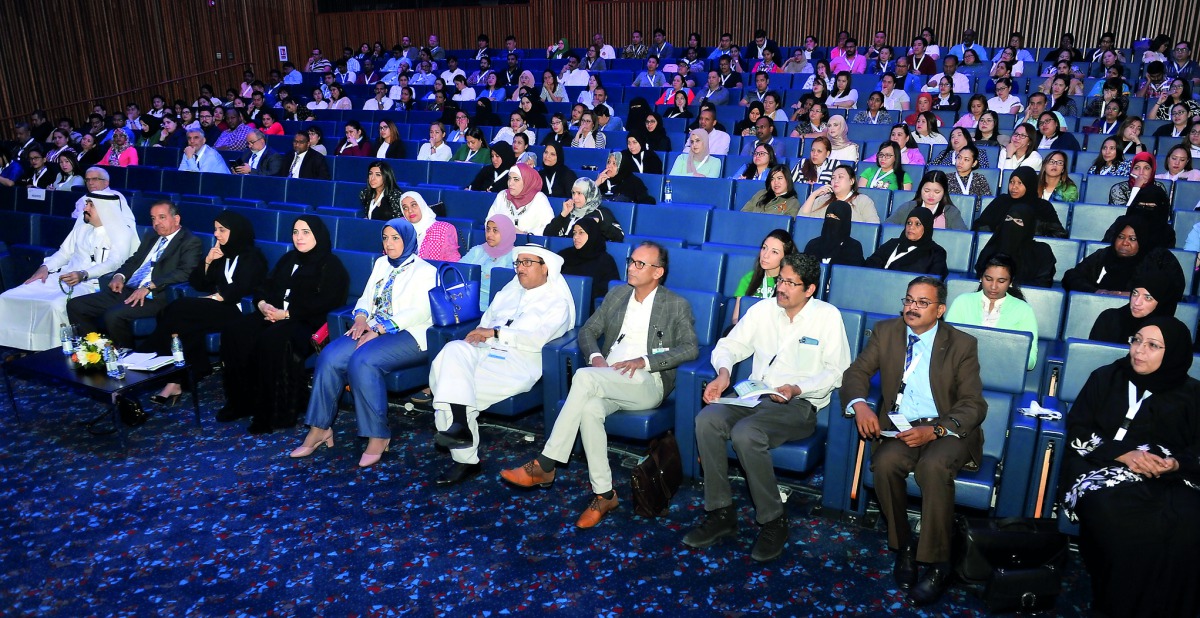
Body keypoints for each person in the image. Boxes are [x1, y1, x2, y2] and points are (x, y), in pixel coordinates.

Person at [684, 253, 851, 562]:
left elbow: (837, 371)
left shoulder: (827, 317)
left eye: (790, 283)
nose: (781, 288)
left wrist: (797, 388)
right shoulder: (763, 310)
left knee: (747, 434)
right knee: (706, 420)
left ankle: (774, 520)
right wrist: (723, 374)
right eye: (780, 280)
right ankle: (720, 512)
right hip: (754, 395)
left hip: (798, 404)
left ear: (810, 289)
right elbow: (729, 346)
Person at [841, 276, 985, 606]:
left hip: (945, 428)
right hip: (901, 426)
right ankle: (904, 545)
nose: (912, 307)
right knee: (885, 463)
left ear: (940, 310)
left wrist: (935, 431)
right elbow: (856, 373)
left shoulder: (961, 344)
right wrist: (860, 405)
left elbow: (974, 403)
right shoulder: (886, 332)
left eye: (922, 303)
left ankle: (938, 562)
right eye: (908, 300)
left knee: (933, 467)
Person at [1059, 316, 1200, 617]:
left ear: (1172, 352)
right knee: (1123, 524)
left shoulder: (1192, 394)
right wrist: (1123, 454)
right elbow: (1079, 430)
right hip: (1103, 468)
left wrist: (1174, 464)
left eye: (1152, 345)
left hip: (1169, 478)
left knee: (1187, 525)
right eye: (1136, 340)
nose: (1139, 350)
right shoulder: (1106, 377)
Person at [291, 217, 436, 467]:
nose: (389, 244)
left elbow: (419, 312)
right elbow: (366, 298)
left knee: (363, 360)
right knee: (330, 356)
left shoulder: (425, 271)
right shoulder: (381, 264)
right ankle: (319, 428)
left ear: (409, 240)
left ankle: (378, 434)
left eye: (395, 238)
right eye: (385, 238)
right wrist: (360, 318)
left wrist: (378, 329)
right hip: (374, 328)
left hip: (410, 334)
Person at [428, 244, 576, 486]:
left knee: (450, 389)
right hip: (484, 351)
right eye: (518, 263)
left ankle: (465, 457)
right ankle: (460, 426)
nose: (520, 268)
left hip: (516, 362)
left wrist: (496, 333)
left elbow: (537, 340)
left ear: (545, 268)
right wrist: (477, 335)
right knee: (452, 350)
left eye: (527, 263)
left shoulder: (557, 302)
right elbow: (485, 323)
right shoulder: (508, 292)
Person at [219, 216, 349, 433]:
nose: (299, 237)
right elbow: (265, 285)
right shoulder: (289, 259)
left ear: (318, 234)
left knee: (272, 341)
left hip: (306, 321)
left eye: (306, 232)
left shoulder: (331, 265)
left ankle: (271, 413)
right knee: (235, 332)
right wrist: (261, 305)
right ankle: (240, 402)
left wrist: (286, 314)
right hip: (273, 314)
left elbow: (327, 302)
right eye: (295, 232)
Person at [139, 211, 267, 404]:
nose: (216, 234)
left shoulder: (252, 257)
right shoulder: (223, 253)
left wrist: (217, 296)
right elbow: (199, 284)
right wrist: (208, 261)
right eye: (215, 229)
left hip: (238, 311)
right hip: (216, 307)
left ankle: (145, 354)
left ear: (237, 231)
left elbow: (244, 286)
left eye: (222, 230)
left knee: (178, 309)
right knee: (179, 321)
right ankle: (178, 379)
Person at [0, 194, 138, 350]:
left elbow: (114, 263)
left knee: (54, 305)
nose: (85, 208)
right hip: (63, 277)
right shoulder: (82, 229)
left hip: (91, 284)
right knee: (9, 296)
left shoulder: (121, 233)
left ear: (104, 209)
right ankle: (17, 347)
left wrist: (83, 274)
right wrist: (45, 268)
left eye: (90, 205)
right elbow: (64, 253)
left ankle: (51, 351)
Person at [65, 201, 203, 349]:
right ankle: (94, 352)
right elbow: (134, 260)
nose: (156, 223)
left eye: (162, 217)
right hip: (128, 289)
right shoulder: (151, 236)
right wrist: (120, 276)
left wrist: (149, 286)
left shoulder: (190, 241)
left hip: (157, 296)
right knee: (76, 305)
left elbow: (185, 272)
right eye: (153, 218)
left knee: (114, 315)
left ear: (176, 219)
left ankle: (126, 359)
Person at [945, 253, 1039, 369]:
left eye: (1001, 281)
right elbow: (945, 343)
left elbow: (1031, 361)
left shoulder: (1023, 310)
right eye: (988, 279)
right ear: (981, 277)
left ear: (1010, 282)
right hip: (961, 369)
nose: (993, 287)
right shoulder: (962, 302)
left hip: (1002, 372)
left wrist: (1004, 358)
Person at [1089, 252, 1186, 344]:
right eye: (1135, 293)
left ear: (1162, 303)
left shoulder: (1173, 334)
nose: (1137, 302)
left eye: (1148, 298)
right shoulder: (1109, 320)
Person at [975, 202, 1057, 287]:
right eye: (1008, 218)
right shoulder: (991, 250)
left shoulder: (1041, 252)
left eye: (1018, 221)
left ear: (1028, 226)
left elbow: (1043, 283)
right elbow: (982, 280)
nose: (1011, 224)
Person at [1063, 216, 1149, 294]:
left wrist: (1132, 295)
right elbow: (1071, 276)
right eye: (1121, 237)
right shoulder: (1103, 254)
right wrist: (1095, 291)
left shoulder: (1149, 263)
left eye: (1132, 239)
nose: (1125, 243)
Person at [728, 229, 797, 325]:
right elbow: (736, 319)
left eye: (774, 252)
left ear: (786, 257)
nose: (765, 255)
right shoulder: (748, 278)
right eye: (764, 248)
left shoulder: (790, 284)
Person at [974, 167, 1067, 238]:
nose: (1014, 187)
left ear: (1029, 185)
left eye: (1020, 183)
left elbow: (1059, 235)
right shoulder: (1001, 201)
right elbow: (980, 226)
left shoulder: (1043, 207)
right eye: (1011, 182)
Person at [865, 208, 948, 278]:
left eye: (918, 224)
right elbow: (870, 264)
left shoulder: (936, 253)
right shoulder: (892, 243)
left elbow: (933, 283)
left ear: (926, 227)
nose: (911, 227)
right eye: (909, 223)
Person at [557, 217, 620, 306]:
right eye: (574, 233)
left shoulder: (605, 260)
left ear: (592, 234)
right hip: (558, 303)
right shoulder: (564, 255)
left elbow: (612, 292)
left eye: (581, 232)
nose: (575, 237)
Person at [460, 214, 517, 310]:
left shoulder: (514, 256)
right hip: (466, 301)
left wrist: (479, 276)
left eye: (495, 230)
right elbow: (459, 270)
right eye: (488, 229)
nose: (490, 234)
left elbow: (503, 285)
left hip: (494, 306)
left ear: (506, 232)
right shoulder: (477, 250)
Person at [545, 178, 624, 242]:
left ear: (589, 194)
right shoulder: (569, 210)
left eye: (579, 193)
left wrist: (600, 223)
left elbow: (619, 236)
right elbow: (547, 234)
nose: (575, 197)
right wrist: (563, 215)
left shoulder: (600, 213)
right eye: (573, 193)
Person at [486, 163, 554, 235]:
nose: (510, 183)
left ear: (526, 181)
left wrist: (524, 234)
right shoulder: (502, 195)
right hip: (501, 242)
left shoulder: (539, 199)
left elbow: (549, 228)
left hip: (529, 244)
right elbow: (489, 220)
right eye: (509, 178)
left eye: (516, 179)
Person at [887, 171, 968, 230]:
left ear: (944, 192)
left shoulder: (951, 212)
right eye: (926, 191)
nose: (931, 195)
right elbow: (888, 226)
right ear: (920, 189)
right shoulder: (908, 207)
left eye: (937, 192)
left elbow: (961, 235)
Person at [799, 165, 878, 222]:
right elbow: (801, 220)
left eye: (840, 177)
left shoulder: (863, 200)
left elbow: (872, 227)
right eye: (833, 178)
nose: (836, 181)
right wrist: (813, 195)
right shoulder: (823, 198)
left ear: (851, 181)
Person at [804, 201, 865, 267]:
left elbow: (852, 274)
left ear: (845, 222)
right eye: (828, 216)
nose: (831, 221)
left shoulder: (853, 248)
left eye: (836, 218)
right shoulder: (813, 245)